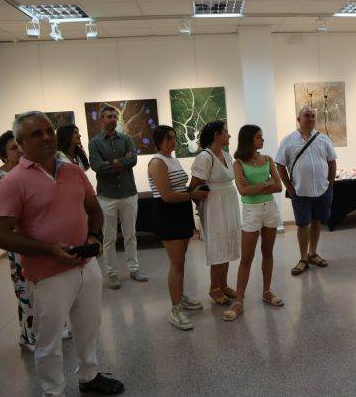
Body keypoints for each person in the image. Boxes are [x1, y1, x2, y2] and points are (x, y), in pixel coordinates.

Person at [0, 111, 124, 396]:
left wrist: (94, 236)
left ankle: (89, 376)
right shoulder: (12, 182)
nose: (46, 137)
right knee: (49, 341)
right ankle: (53, 391)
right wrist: (49, 250)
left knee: (88, 327)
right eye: (36, 134)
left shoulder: (73, 171)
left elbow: (94, 209)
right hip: (48, 275)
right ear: (21, 142)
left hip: (86, 265)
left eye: (49, 130)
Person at [148, 125, 208, 330]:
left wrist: (194, 194)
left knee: (181, 261)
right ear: (158, 141)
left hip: (181, 211)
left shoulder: (173, 160)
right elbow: (166, 195)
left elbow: (180, 189)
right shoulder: (157, 162)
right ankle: (175, 309)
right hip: (167, 214)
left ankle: (180, 297)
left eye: (174, 137)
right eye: (168, 139)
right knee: (176, 262)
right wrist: (192, 195)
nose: (172, 142)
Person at [223, 125, 284, 321]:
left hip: (270, 209)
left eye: (262, 136)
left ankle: (267, 291)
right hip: (251, 212)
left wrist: (258, 186)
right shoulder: (238, 163)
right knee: (247, 258)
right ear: (249, 140)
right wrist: (266, 183)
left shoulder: (267, 159)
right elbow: (244, 192)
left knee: (268, 252)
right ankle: (239, 301)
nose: (263, 140)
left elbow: (278, 186)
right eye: (259, 137)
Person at [0, 131, 35, 350]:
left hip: (38, 236)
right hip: (16, 241)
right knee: (24, 289)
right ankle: (28, 336)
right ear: (4, 155)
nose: (20, 150)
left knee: (45, 286)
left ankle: (56, 327)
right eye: (14, 148)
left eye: (19, 146)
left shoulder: (33, 170)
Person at [88, 105, 148, 289]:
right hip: (107, 197)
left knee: (131, 235)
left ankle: (134, 269)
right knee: (109, 238)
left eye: (114, 116)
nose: (112, 119)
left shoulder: (127, 139)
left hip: (129, 193)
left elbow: (134, 160)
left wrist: (113, 163)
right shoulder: (95, 143)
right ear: (101, 119)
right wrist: (122, 161)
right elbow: (97, 166)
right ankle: (112, 274)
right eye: (108, 116)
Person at [275, 106, 337, 276]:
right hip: (300, 191)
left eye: (312, 116)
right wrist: (288, 186)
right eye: (306, 116)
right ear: (298, 120)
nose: (310, 118)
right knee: (303, 224)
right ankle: (303, 258)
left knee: (317, 222)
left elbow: (332, 162)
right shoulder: (288, 140)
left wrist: (330, 183)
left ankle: (313, 253)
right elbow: (279, 164)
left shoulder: (323, 139)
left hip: (322, 190)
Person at [189, 121, 241, 305]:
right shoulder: (205, 157)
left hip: (228, 204)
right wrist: (200, 207)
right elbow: (193, 187)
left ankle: (224, 284)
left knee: (227, 243)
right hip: (213, 207)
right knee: (218, 244)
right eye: (226, 132)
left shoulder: (227, 156)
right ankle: (214, 287)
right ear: (216, 135)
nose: (229, 135)